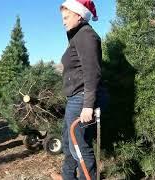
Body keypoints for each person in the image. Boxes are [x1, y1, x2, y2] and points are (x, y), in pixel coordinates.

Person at [52, 0, 103, 179]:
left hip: (81, 98)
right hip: (74, 98)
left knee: (79, 147)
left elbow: (93, 73)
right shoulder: (76, 36)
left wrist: (88, 105)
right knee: (69, 142)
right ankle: (68, 176)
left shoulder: (86, 35)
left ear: (79, 15)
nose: (63, 21)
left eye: (66, 17)